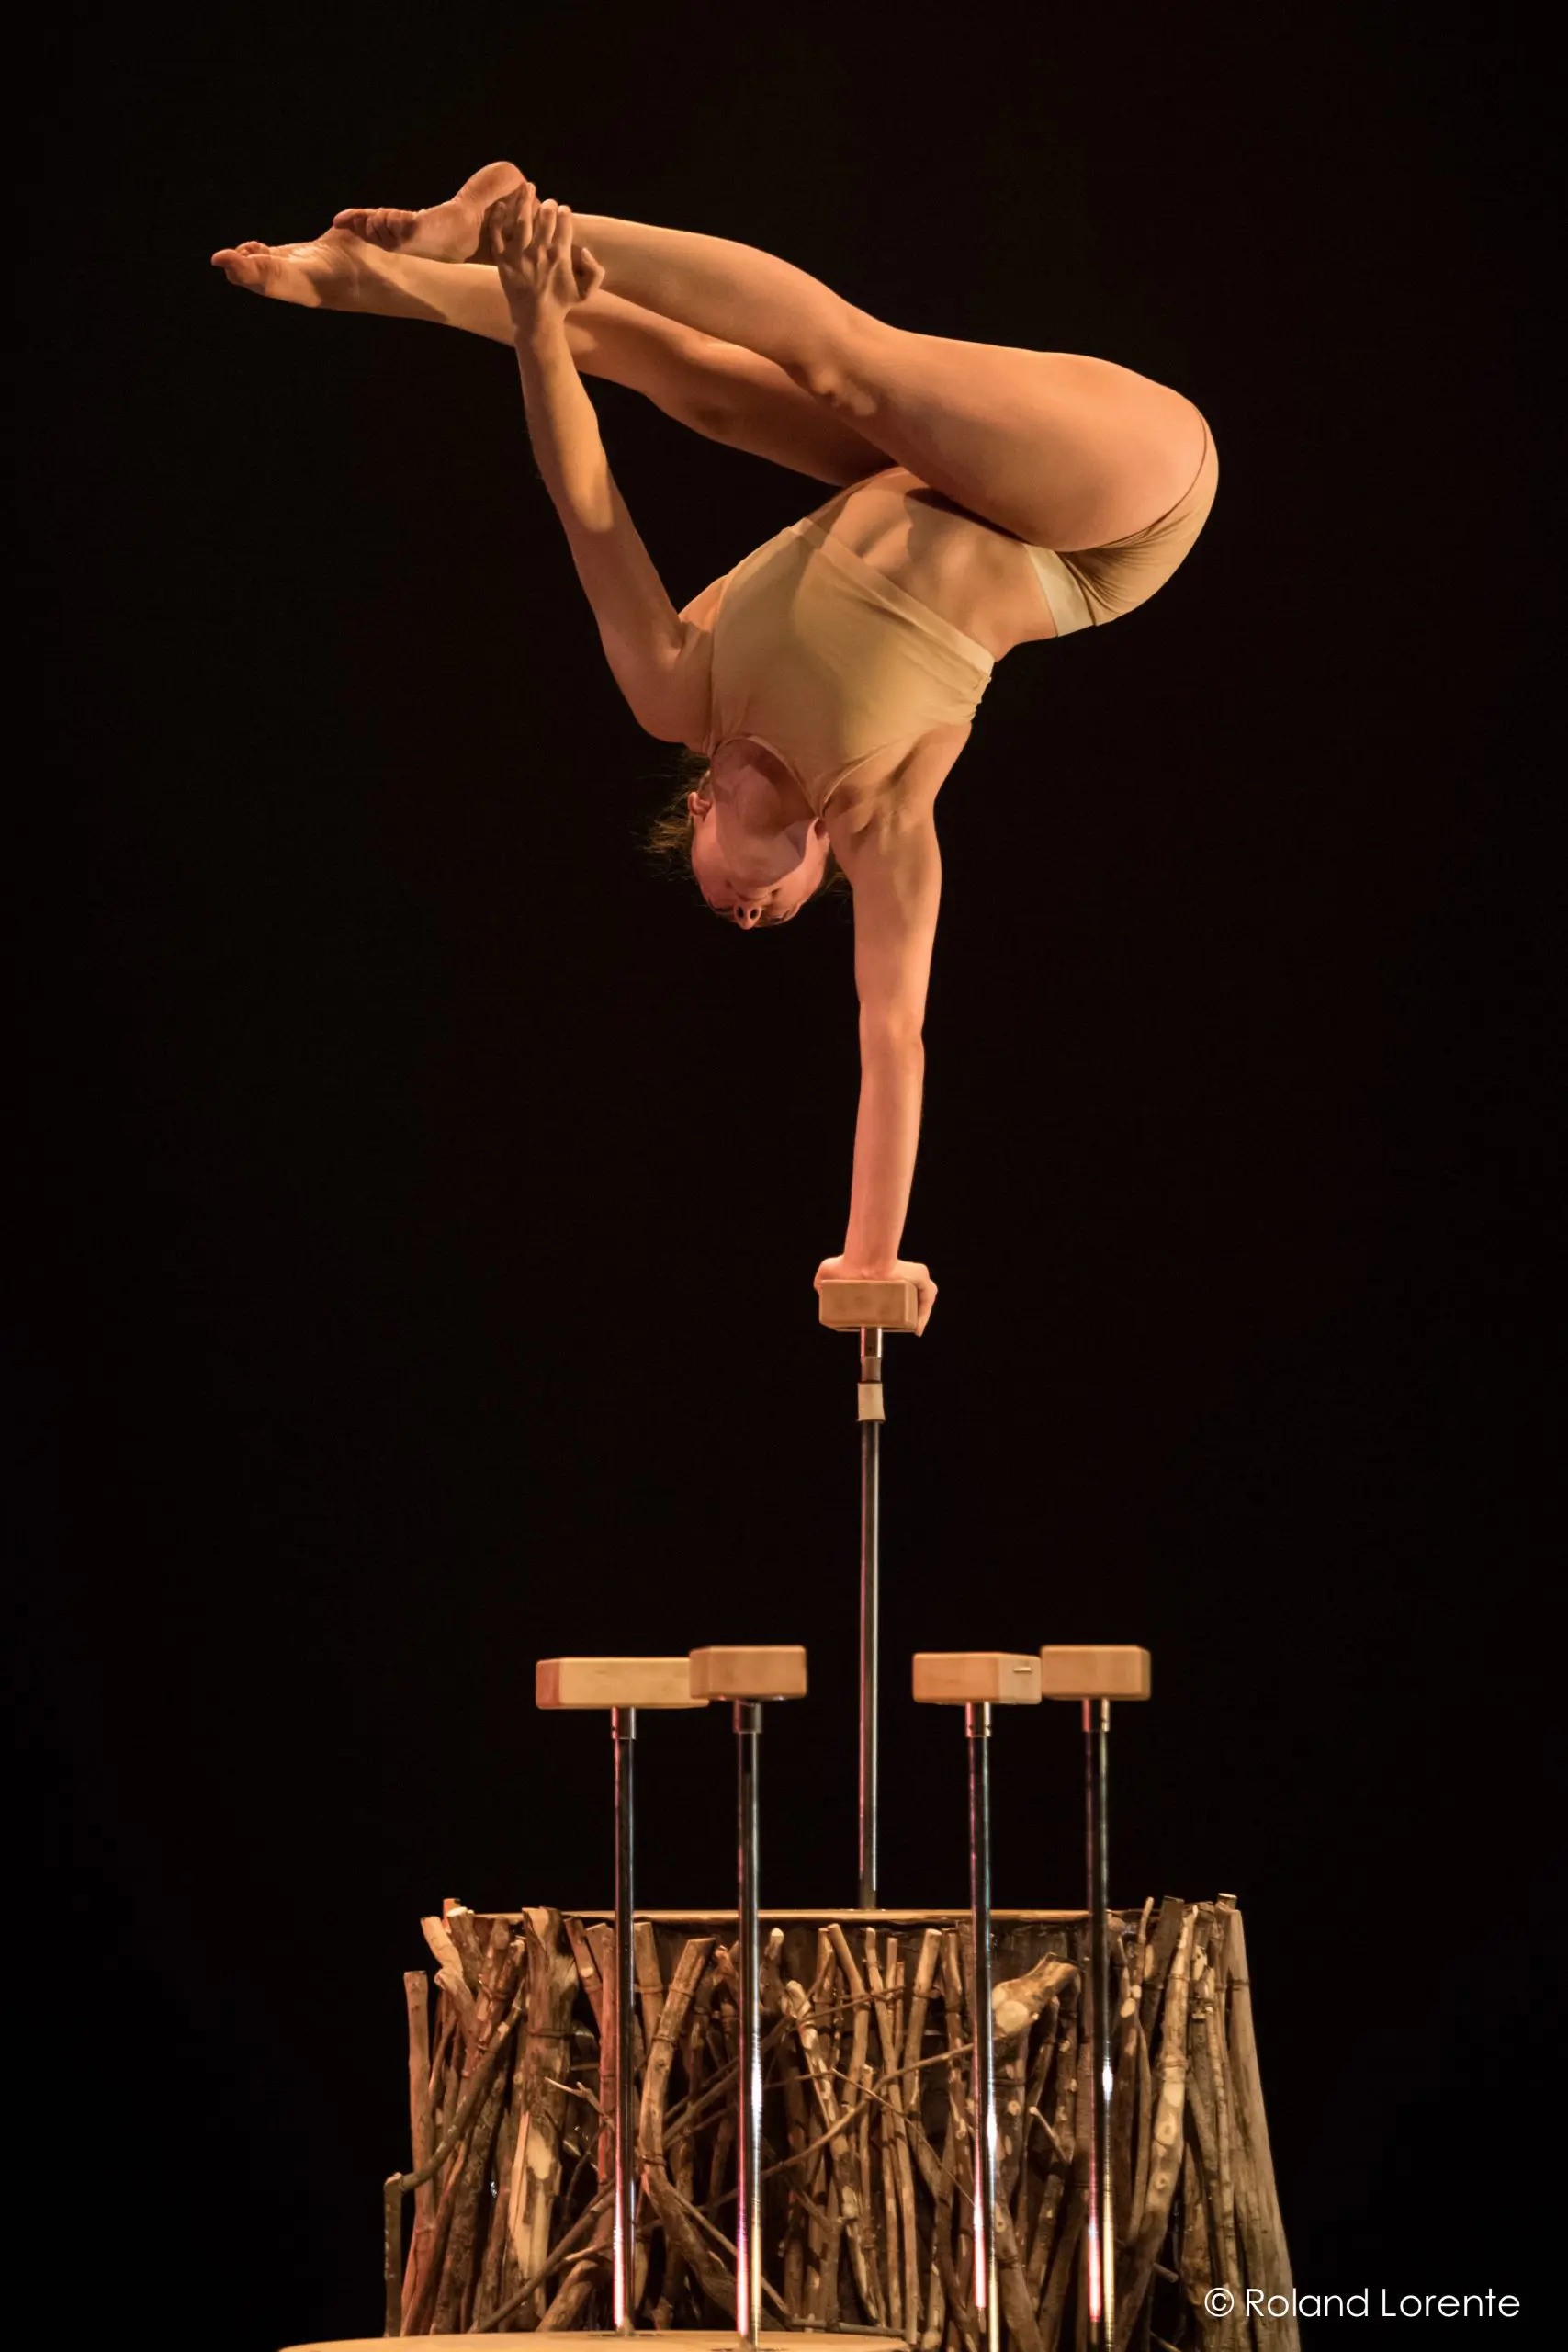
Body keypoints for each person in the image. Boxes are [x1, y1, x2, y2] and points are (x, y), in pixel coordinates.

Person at [212, 164, 1218, 1334]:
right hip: (1111, 522)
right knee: (840, 368)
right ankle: (506, 232)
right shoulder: (882, 813)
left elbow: (586, 502)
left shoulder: (677, 689)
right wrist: (868, 1261)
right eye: (776, 914)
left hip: (949, 480)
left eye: (728, 910)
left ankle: (393, 272)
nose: (750, 914)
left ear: (692, 816)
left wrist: (539, 329)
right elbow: (891, 1039)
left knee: (706, 390)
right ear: (821, 868)